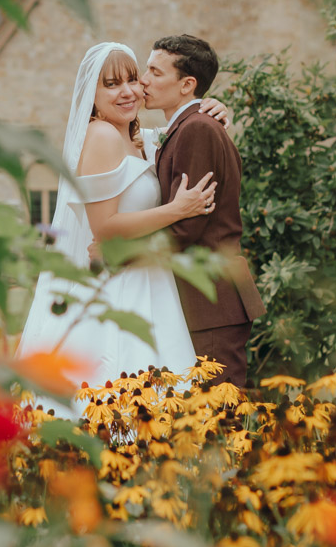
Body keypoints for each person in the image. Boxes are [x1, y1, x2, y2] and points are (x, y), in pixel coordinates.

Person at [15, 41, 228, 388]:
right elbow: (105, 228)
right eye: (111, 85)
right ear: (91, 94)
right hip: (118, 286)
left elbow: (180, 128)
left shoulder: (131, 135)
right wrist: (176, 209)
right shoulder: (100, 136)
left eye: (132, 79)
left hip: (149, 280)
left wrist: (213, 106)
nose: (128, 91)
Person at [141, 34, 265, 388]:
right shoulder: (185, 126)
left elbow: (188, 226)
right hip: (202, 301)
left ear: (187, 85)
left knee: (218, 422)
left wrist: (120, 255)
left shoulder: (197, 128)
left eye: (154, 72)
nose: (143, 80)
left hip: (211, 302)